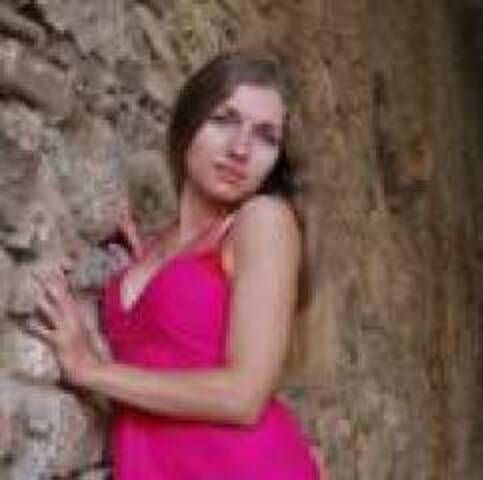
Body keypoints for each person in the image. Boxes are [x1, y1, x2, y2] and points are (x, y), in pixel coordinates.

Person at [33, 51, 322, 479]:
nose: (240, 148)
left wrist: (91, 369)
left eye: (266, 137)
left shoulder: (263, 220)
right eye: (224, 120)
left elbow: (243, 396)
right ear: (189, 122)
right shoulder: (154, 247)